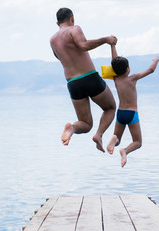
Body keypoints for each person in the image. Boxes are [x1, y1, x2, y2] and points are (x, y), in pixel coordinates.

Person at [50, 8, 117, 152]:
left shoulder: (52, 40)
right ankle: (99, 135)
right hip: (89, 77)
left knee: (85, 123)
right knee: (110, 107)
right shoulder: (74, 29)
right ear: (72, 19)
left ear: (57, 23)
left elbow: (60, 57)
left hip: (73, 83)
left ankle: (72, 128)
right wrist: (105, 40)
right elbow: (84, 45)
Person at [106, 44, 159, 167]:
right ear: (128, 69)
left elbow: (114, 61)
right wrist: (156, 60)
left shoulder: (116, 79)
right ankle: (125, 151)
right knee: (137, 142)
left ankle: (114, 139)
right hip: (131, 113)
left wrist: (112, 46)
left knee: (117, 139)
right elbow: (150, 70)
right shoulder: (132, 78)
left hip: (120, 113)